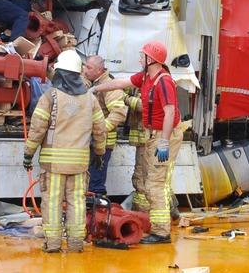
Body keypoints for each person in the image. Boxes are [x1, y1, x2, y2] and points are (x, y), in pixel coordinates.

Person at [91, 40, 179, 243]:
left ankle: (161, 232)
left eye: (143, 55)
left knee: (155, 184)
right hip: (154, 134)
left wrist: (164, 142)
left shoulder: (163, 81)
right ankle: (158, 228)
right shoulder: (147, 77)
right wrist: (98, 89)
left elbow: (170, 112)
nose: (140, 58)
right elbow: (122, 83)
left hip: (163, 135)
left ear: (151, 59)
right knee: (149, 182)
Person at [23, 49, 106, 253]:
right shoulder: (89, 99)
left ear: (60, 73)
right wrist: (100, 152)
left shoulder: (50, 97)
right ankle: (76, 243)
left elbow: (37, 129)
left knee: (52, 203)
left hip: (54, 166)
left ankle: (52, 244)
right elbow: (100, 128)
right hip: (79, 165)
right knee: (77, 202)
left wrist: (28, 153)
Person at [82, 54, 129, 196]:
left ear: (99, 70)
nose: (85, 70)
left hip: (102, 143)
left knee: (95, 184)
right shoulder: (91, 82)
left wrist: (100, 129)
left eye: (89, 67)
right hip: (89, 141)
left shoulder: (109, 86)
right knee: (88, 181)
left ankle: (98, 211)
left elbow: (119, 113)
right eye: (84, 65)